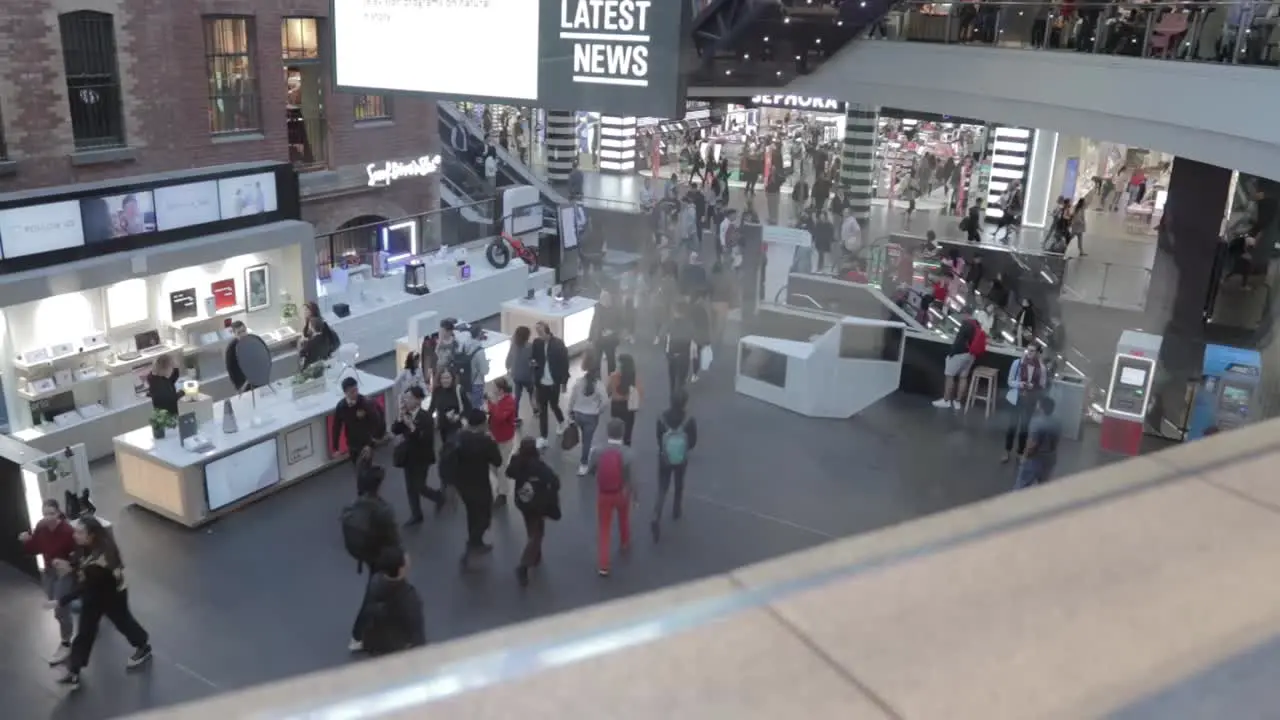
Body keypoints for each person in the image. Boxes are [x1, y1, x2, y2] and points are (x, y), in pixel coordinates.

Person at [54, 515, 152, 688]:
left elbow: (85, 586)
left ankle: (142, 645)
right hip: (95, 592)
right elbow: (81, 565)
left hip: (112, 595)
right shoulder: (87, 547)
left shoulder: (102, 560)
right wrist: (71, 565)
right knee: (85, 631)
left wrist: (61, 601)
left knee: (122, 621)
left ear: (91, 535)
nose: (75, 535)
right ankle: (74, 670)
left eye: (79, 532)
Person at [344, 464, 401, 652]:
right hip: (382, 556)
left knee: (383, 589)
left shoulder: (356, 504)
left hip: (367, 553)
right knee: (374, 594)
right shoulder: (383, 509)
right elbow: (394, 538)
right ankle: (357, 635)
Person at [19, 499, 77, 661]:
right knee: (54, 600)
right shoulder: (41, 526)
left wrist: (69, 564)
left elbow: (79, 555)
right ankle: (75, 602)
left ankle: (66, 642)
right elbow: (35, 548)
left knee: (60, 609)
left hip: (64, 573)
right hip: (49, 572)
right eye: (45, 514)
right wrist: (27, 542)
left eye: (52, 514)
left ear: (58, 513)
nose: (48, 518)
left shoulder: (68, 531)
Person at [448, 409, 504, 569]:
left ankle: (477, 542)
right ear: (482, 424)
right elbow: (498, 461)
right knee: (484, 516)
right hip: (479, 483)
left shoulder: (460, 436)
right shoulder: (485, 441)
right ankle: (472, 545)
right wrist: (493, 441)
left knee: (472, 514)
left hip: (462, 484)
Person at [507, 436, 561, 587]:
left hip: (522, 501)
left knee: (531, 527)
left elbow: (509, 473)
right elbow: (555, 481)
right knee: (537, 534)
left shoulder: (517, 462)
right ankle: (524, 565)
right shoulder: (539, 466)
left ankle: (536, 555)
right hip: (538, 503)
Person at [355, 546, 426, 656]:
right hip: (398, 648)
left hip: (376, 644)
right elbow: (417, 634)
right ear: (400, 570)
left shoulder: (375, 583)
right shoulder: (409, 598)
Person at [587, 418, 635, 577]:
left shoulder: (597, 451)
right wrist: (635, 495)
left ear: (608, 432)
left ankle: (603, 565)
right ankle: (625, 541)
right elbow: (631, 478)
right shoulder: (628, 452)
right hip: (621, 493)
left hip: (604, 494)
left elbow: (591, 470)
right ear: (622, 433)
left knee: (604, 528)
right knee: (623, 517)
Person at [391, 386, 444, 526]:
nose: (406, 401)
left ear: (418, 400)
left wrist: (412, 427)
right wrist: (400, 417)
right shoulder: (406, 414)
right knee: (410, 487)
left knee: (419, 485)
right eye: (405, 398)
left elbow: (424, 438)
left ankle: (438, 496)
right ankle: (416, 514)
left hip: (422, 457)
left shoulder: (426, 417)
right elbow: (395, 430)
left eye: (409, 398)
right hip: (408, 456)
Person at [651, 389, 698, 543]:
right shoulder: (689, 420)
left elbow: (659, 438)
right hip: (681, 459)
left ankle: (656, 513)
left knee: (662, 486)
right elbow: (692, 442)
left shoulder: (662, 418)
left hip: (664, 458)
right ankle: (676, 510)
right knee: (679, 484)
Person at [1003, 344, 1047, 463]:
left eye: (1032, 351)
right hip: (1016, 398)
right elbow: (1010, 381)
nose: (1029, 353)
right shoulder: (1017, 363)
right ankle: (1007, 451)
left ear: (1037, 353)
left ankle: (1020, 453)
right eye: (1028, 350)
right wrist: (1020, 384)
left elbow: (1042, 385)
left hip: (1030, 401)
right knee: (1012, 426)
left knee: (1024, 428)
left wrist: (1035, 387)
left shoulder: (1041, 368)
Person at [531, 321, 569, 449]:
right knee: (542, 410)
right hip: (541, 382)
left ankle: (561, 421)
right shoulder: (537, 343)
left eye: (540, 332)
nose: (538, 334)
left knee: (554, 405)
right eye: (537, 332)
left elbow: (565, 363)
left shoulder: (558, 344)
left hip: (554, 382)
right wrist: (533, 363)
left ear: (547, 331)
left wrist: (564, 381)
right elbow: (533, 357)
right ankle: (543, 437)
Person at [568, 354, 608, 475]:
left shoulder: (578, 382)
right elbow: (605, 401)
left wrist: (570, 411)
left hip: (578, 414)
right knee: (587, 440)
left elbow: (572, 398)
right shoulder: (599, 385)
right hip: (591, 416)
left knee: (584, 437)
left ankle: (584, 459)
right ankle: (583, 464)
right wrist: (598, 410)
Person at [933, 315, 984, 410]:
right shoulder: (978, 326)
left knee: (949, 376)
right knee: (963, 378)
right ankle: (957, 402)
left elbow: (959, 341)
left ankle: (946, 400)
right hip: (971, 356)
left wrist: (951, 354)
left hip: (960, 354)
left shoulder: (966, 324)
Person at [331, 377, 384, 467]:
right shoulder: (341, 406)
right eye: (352, 391)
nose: (355, 393)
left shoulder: (364, 402)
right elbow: (336, 427)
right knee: (357, 467)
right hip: (352, 443)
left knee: (367, 468)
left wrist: (371, 441)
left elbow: (376, 419)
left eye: (356, 390)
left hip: (366, 441)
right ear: (345, 393)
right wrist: (335, 448)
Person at [1014, 396, 1062, 489]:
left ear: (1041, 408)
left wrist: (1025, 456)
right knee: (1042, 487)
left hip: (1035, 459)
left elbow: (1032, 443)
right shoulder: (1057, 422)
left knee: (1021, 486)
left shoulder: (1037, 422)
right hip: (1050, 459)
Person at [486, 378, 518, 506]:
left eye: (493, 387)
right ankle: (501, 482)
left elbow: (499, 417)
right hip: (494, 437)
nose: (491, 390)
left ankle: (503, 493)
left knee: (501, 465)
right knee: (493, 465)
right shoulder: (496, 400)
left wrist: (491, 404)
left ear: (500, 389)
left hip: (505, 438)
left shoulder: (509, 401)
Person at [426, 368, 470, 447]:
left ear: (452, 378)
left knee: (453, 450)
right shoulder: (437, 391)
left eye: (447, 378)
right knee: (446, 449)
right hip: (443, 427)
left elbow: (468, 408)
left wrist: (458, 416)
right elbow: (432, 408)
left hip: (456, 427)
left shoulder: (458, 390)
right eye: (443, 378)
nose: (445, 380)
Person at [607, 353, 641, 446]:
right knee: (627, 433)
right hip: (629, 408)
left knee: (616, 430)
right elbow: (638, 397)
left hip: (616, 407)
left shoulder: (613, 377)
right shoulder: (635, 379)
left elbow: (608, 392)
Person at [663, 302, 696, 399]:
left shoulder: (670, 322)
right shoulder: (689, 323)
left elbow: (663, 335)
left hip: (672, 352)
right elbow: (693, 336)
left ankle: (672, 395)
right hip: (684, 353)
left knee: (672, 376)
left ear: (674, 311)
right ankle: (680, 396)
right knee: (682, 377)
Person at [505, 325, 536, 424]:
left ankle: (515, 417)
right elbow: (533, 361)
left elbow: (509, 358)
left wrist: (508, 367)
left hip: (516, 375)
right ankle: (535, 409)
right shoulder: (530, 347)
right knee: (532, 393)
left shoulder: (513, 344)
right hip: (527, 375)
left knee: (517, 397)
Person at [590, 290, 623, 375]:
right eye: (603, 299)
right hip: (598, 339)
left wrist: (612, 331)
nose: (605, 302)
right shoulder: (598, 308)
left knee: (611, 359)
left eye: (606, 299)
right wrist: (590, 336)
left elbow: (621, 324)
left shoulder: (616, 310)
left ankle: (611, 377)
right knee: (596, 360)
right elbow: (594, 322)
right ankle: (596, 377)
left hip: (610, 340)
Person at [393, 352, 427, 417]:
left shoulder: (419, 371)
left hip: (416, 394)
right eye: (416, 361)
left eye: (418, 360)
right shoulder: (405, 371)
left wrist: (425, 392)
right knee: (405, 412)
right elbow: (396, 382)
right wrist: (400, 393)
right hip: (407, 396)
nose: (418, 362)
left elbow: (422, 382)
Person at [224, 320, 251, 392]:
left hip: (255, 378)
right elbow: (230, 369)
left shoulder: (251, 341)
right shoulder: (231, 349)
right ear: (234, 334)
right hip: (243, 383)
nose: (242, 334)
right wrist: (239, 386)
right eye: (239, 333)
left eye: (244, 331)